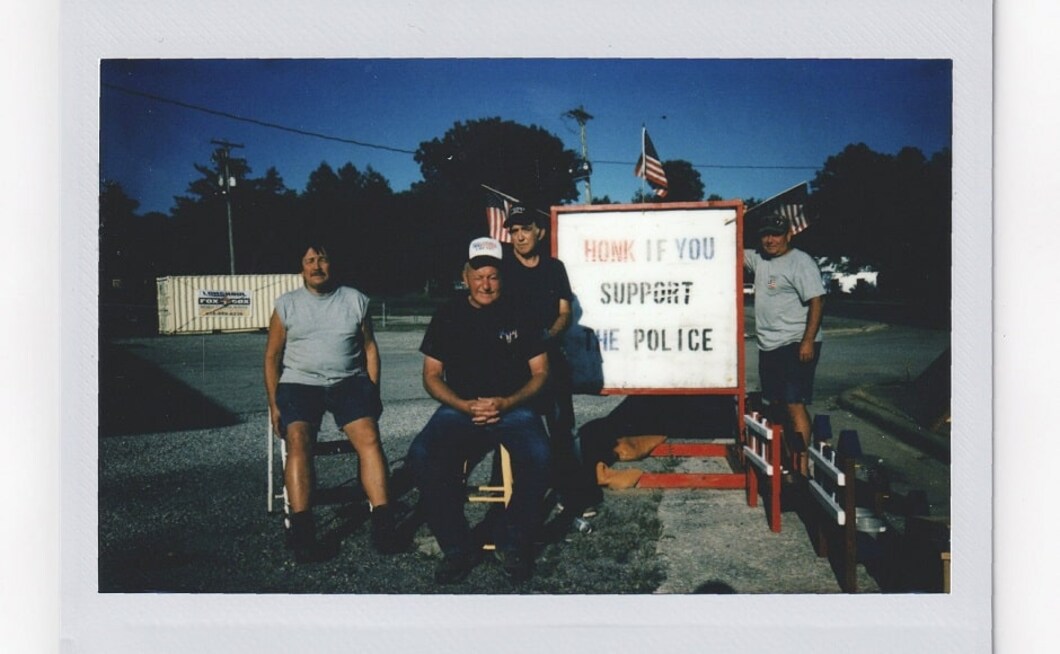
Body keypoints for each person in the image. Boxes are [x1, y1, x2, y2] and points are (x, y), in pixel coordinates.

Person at [406, 237, 551, 585]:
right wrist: (463, 405)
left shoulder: (523, 311)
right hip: (460, 408)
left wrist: (507, 402)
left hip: (512, 407)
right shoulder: (448, 314)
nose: (486, 284)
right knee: (422, 456)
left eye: (493, 276)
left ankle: (513, 541)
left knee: (541, 455)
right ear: (466, 276)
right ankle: (457, 548)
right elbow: (431, 376)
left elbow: (541, 372)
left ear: (502, 278)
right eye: (479, 275)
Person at [264, 243, 399, 561]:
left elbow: (369, 349)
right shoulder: (286, 305)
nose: (316, 266)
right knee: (298, 439)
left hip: (348, 382)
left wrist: (372, 391)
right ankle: (302, 530)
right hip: (299, 384)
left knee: (368, 437)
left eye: (322, 258)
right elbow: (272, 356)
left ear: (331, 264)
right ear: (302, 269)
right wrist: (274, 403)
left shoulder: (355, 300)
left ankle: (383, 522)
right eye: (309, 260)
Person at [500, 204, 598, 519]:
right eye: (513, 231)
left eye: (524, 229)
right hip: (514, 362)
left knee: (561, 429)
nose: (518, 237)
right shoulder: (503, 267)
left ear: (538, 231)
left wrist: (549, 335)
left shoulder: (554, 268)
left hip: (550, 357)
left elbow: (564, 312)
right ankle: (525, 500)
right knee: (521, 430)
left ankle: (572, 496)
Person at [744, 213, 826, 474]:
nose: (770, 240)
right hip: (769, 344)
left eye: (776, 234)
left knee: (793, 402)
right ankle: (788, 459)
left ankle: (802, 468)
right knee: (776, 403)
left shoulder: (800, 262)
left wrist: (808, 341)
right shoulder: (759, 259)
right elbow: (730, 248)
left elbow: (817, 301)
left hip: (795, 341)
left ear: (789, 235)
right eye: (765, 234)